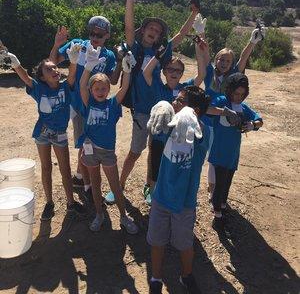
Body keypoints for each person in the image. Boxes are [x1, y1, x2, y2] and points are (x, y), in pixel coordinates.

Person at [117, 0, 202, 202]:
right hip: (141, 111)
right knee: (135, 152)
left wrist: (193, 14)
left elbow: (179, 36)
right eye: (150, 27)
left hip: (161, 110)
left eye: (158, 30)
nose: (154, 30)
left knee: (155, 152)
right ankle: (119, 186)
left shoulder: (162, 52)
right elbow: (128, 25)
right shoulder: (135, 48)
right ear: (143, 30)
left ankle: (148, 186)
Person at [2, 42, 86, 221]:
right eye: (49, 70)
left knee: (65, 168)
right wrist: (16, 63)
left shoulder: (65, 87)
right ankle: (49, 203)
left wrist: (73, 62)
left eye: (55, 67)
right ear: (42, 76)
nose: (55, 70)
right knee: (46, 167)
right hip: (42, 133)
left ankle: (71, 203)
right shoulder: (38, 89)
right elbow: (25, 77)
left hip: (60, 134)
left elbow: (71, 77)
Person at [146, 86, 211, 294]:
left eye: (181, 101)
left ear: (196, 111)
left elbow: (199, 141)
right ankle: (156, 278)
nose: (175, 104)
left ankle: (186, 275)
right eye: (176, 100)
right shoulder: (171, 126)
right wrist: (162, 106)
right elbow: (155, 134)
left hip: (185, 201)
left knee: (184, 243)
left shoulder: (203, 132)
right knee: (157, 240)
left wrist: (192, 120)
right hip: (162, 196)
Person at [49, 16, 121, 199]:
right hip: (77, 104)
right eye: (92, 33)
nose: (94, 37)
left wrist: (121, 61)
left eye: (100, 34)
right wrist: (57, 44)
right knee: (85, 142)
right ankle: (86, 184)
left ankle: (81, 177)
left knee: (89, 142)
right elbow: (54, 62)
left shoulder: (108, 56)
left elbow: (112, 80)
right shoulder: (77, 45)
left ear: (107, 36)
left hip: (95, 108)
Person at [198, 24, 265, 199]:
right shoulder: (209, 73)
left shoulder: (234, 75)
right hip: (207, 118)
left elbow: (243, 57)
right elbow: (204, 53)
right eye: (221, 59)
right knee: (204, 153)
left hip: (223, 123)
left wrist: (252, 42)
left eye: (228, 60)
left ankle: (213, 189)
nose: (224, 63)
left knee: (215, 157)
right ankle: (207, 185)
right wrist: (201, 32)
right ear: (216, 60)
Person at [78, 43, 138, 233]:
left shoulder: (112, 103)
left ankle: (123, 216)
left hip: (107, 151)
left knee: (114, 184)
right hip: (90, 149)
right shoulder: (87, 102)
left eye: (104, 88)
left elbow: (125, 86)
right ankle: (99, 214)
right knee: (95, 184)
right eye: (97, 88)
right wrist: (89, 66)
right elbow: (81, 85)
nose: (101, 91)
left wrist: (126, 70)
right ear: (91, 90)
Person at [208, 73, 263, 235]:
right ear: (229, 91)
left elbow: (259, 119)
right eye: (235, 94)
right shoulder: (221, 101)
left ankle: (223, 207)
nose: (238, 97)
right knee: (218, 185)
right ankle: (217, 215)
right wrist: (224, 112)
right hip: (219, 153)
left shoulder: (243, 108)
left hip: (233, 154)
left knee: (227, 183)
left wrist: (252, 125)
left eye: (241, 94)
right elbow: (207, 109)